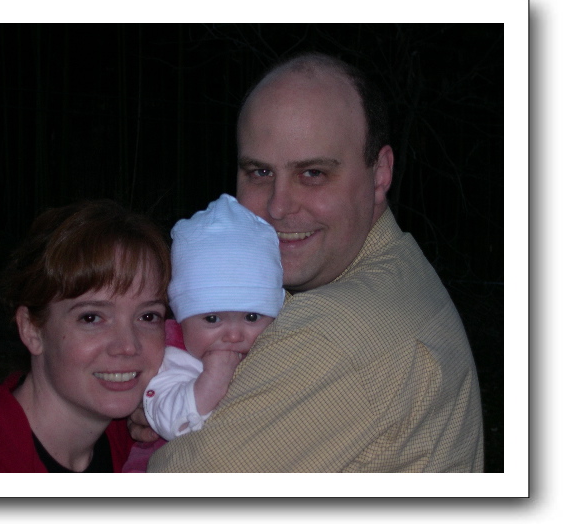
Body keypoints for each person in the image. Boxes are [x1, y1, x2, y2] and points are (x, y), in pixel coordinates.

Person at [143, 52, 485, 472]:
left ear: (380, 173)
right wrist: (174, 401)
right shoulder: (399, 270)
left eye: (313, 174)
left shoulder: (331, 333)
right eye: (260, 173)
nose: (278, 206)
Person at [0, 199, 171, 473]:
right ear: (31, 329)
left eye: (148, 316)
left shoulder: (145, 444)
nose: (127, 346)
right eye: (91, 318)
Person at [122, 194, 285, 472]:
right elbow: (169, 421)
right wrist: (213, 379)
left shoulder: (280, 350)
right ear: (182, 320)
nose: (233, 336)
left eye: (251, 317)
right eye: (212, 319)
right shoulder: (174, 358)